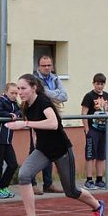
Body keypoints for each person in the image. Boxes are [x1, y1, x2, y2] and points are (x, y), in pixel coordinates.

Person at [5, 74, 105, 216]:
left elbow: (53, 124)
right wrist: (35, 142)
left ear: (34, 88)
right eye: (18, 89)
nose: (20, 92)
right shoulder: (26, 106)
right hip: (43, 151)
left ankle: (97, 206)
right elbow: (35, 129)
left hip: (61, 151)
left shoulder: (43, 102)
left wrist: (24, 123)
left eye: (23, 88)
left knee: (71, 191)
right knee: (23, 175)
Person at [32, 55, 66, 194]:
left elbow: (64, 96)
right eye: (44, 65)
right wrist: (55, 94)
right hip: (38, 118)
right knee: (34, 149)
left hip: (53, 118)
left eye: (49, 65)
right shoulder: (35, 79)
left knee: (50, 150)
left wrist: (51, 94)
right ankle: (32, 183)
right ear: (39, 66)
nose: (47, 68)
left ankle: (48, 183)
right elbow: (41, 93)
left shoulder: (55, 78)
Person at [80, 73, 108, 189]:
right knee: (90, 155)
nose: (100, 86)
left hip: (104, 130)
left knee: (102, 155)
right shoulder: (89, 96)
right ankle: (89, 180)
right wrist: (87, 129)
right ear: (93, 83)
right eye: (97, 84)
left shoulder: (107, 96)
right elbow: (84, 113)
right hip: (92, 130)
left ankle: (99, 179)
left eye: (102, 84)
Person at [0, 82, 22, 198]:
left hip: (8, 140)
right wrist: (10, 115)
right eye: (12, 93)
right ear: (6, 92)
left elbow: (20, 112)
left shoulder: (15, 103)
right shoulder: (1, 100)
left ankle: (3, 186)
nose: (14, 95)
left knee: (13, 164)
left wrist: (16, 114)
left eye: (16, 93)